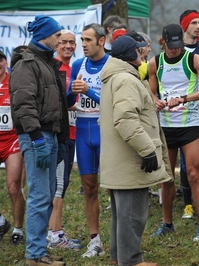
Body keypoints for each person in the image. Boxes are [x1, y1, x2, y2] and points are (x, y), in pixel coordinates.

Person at [100, 35, 168, 266]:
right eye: (139, 51)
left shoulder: (115, 77)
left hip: (121, 158)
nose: (143, 53)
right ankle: (130, 261)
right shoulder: (126, 80)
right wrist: (148, 150)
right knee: (132, 215)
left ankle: (118, 259)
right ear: (133, 54)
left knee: (121, 215)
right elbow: (126, 119)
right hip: (130, 159)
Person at [9, 15, 68, 266]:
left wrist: (60, 138)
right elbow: (23, 103)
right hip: (37, 137)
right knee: (40, 196)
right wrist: (36, 138)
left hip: (50, 135)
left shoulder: (46, 62)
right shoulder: (27, 64)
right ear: (44, 35)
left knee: (45, 195)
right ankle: (34, 255)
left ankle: (39, 250)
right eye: (57, 36)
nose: (60, 40)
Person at [148, 23, 199, 242]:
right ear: (163, 42)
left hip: (189, 124)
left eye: (178, 45)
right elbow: (151, 92)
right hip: (166, 126)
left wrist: (183, 99)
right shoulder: (155, 62)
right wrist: (156, 101)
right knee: (166, 178)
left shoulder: (193, 60)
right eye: (170, 45)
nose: (175, 49)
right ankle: (167, 223)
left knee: (193, 174)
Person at [67, 23, 109, 258]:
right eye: (81, 40)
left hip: (105, 130)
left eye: (88, 40)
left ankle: (120, 235)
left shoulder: (113, 64)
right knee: (89, 187)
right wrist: (72, 92)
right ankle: (95, 240)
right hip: (84, 128)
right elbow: (69, 98)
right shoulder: (77, 65)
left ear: (101, 41)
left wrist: (88, 91)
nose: (82, 44)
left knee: (114, 187)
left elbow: (113, 102)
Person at [47, 29, 82, 250]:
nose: (68, 46)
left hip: (73, 133)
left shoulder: (77, 68)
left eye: (72, 42)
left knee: (64, 183)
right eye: (63, 42)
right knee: (58, 184)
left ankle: (53, 231)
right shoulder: (52, 67)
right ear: (56, 44)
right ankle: (55, 236)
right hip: (58, 134)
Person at [0, 50, 25, 246]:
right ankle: (2, 222)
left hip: (12, 140)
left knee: (13, 186)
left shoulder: (14, 82)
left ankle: (18, 229)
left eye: (0, 60)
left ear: (5, 62)